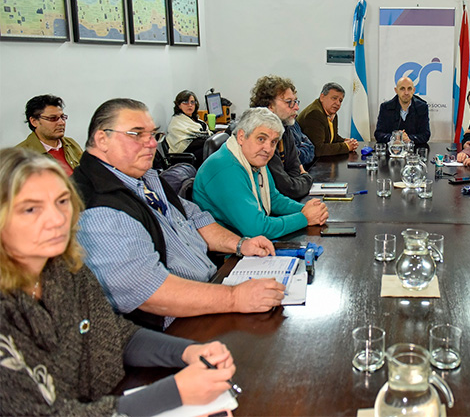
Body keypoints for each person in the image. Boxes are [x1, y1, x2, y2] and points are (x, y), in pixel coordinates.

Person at [0, 147, 236, 415]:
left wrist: (189, 351)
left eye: (62, 201)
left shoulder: (66, 270)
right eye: (30, 209)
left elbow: (115, 336)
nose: (56, 219)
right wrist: (176, 392)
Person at [72, 98, 285, 331]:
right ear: (103, 139)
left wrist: (240, 244)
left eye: (153, 134)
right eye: (137, 134)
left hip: (209, 290)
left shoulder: (144, 177)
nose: (152, 144)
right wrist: (234, 298)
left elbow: (194, 217)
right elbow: (150, 293)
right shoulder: (100, 208)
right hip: (173, 325)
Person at [194, 108, 329, 239]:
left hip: (250, 239)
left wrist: (308, 209)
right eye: (261, 139)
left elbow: (273, 198)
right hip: (232, 253)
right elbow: (256, 229)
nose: (268, 149)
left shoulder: (253, 159)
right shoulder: (225, 169)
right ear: (241, 136)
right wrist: (304, 218)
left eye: (273, 142)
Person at [250, 75, 313, 200]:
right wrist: (306, 178)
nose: (296, 107)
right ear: (269, 106)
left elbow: (293, 169)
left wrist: (295, 181)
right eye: (289, 102)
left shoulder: (285, 129)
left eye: (295, 101)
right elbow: (286, 188)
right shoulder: (260, 137)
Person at [15, 94, 83, 175]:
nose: (61, 122)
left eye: (62, 117)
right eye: (52, 118)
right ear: (34, 121)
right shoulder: (20, 155)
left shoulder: (71, 144)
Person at [297, 82, 359, 157]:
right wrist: (346, 147)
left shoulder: (332, 113)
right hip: (311, 165)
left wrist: (345, 141)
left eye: (340, 100)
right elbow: (318, 149)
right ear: (322, 97)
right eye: (334, 98)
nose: (338, 103)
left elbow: (331, 138)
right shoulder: (314, 114)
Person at [374, 76, 430, 145]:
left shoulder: (422, 107)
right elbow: (378, 134)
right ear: (396, 90)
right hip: (391, 151)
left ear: (414, 90)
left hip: (414, 152)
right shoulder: (385, 107)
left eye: (409, 89)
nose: (406, 93)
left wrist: (409, 138)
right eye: (402, 89)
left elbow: (425, 135)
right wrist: (394, 137)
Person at [166, 90, 212, 166]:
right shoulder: (176, 122)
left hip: (199, 150)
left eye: (192, 102)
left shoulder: (196, 120)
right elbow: (188, 144)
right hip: (187, 156)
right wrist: (208, 139)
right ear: (179, 105)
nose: (190, 105)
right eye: (185, 102)